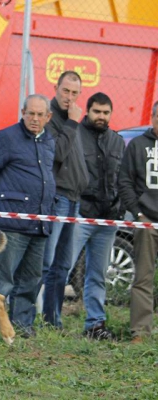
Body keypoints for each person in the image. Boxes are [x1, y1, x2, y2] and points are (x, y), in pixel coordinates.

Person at [0, 94, 55, 338]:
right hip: (11, 224)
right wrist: (0, 211)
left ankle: (23, 326)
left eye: (40, 114)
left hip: (39, 224)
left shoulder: (48, 142)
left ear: (48, 117)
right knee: (3, 280)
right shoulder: (6, 138)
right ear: (22, 112)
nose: (34, 118)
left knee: (31, 279)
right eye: (30, 113)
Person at [70, 92, 124, 340]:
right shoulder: (75, 136)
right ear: (87, 111)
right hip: (80, 214)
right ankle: (46, 320)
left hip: (108, 218)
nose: (101, 116)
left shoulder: (117, 141)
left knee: (97, 274)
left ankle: (95, 325)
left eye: (105, 112)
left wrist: (120, 207)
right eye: (96, 111)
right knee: (60, 269)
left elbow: (124, 179)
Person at [41, 70, 89, 329]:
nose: (70, 97)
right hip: (57, 198)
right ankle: (24, 318)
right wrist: (71, 122)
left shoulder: (73, 121)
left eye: (74, 93)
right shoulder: (49, 118)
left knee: (62, 267)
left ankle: (52, 321)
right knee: (46, 265)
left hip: (74, 199)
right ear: (56, 88)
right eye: (65, 91)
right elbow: (57, 154)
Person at [118, 100, 158, 344]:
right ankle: (140, 332)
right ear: (153, 117)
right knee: (143, 277)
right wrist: (138, 213)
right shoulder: (138, 145)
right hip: (147, 221)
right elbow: (125, 181)